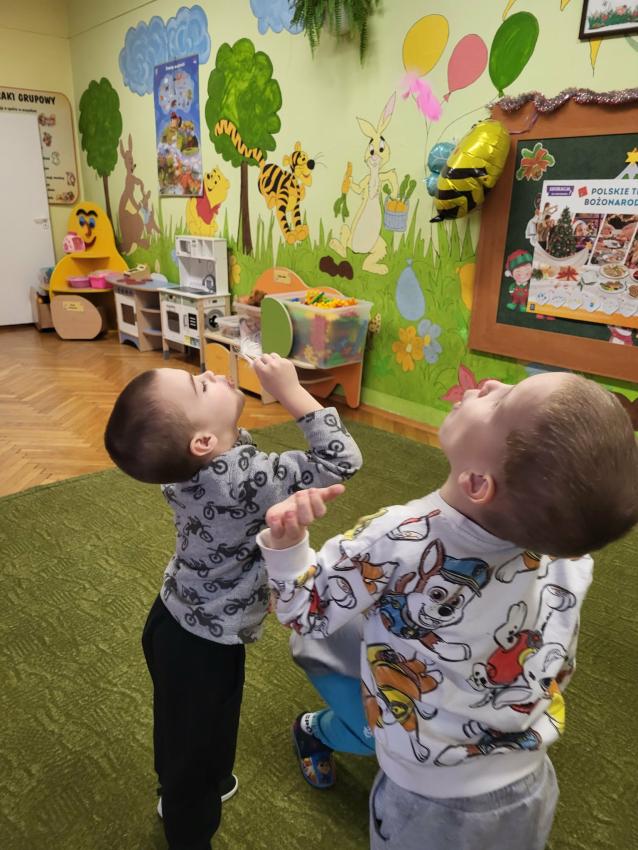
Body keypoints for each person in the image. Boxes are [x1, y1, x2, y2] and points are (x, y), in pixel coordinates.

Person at [257, 372, 638, 850]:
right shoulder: (570, 555)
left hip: (431, 802)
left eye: (502, 403)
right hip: (531, 782)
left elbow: (303, 614)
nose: (492, 383)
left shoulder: (399, 537)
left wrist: (287, 546)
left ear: (477, 482)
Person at [103, 354, 362, 850]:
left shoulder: (185, 466)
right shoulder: (244, 479)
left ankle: (191, 784)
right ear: (202, 443)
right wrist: (291, 391)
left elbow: (229, 444)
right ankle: (187, 828)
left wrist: (221, 413)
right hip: (206, 644)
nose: (210, 373)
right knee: (197, 749)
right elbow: (341, 461)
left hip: (170, 616)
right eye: (199, 386)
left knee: (180, 721)